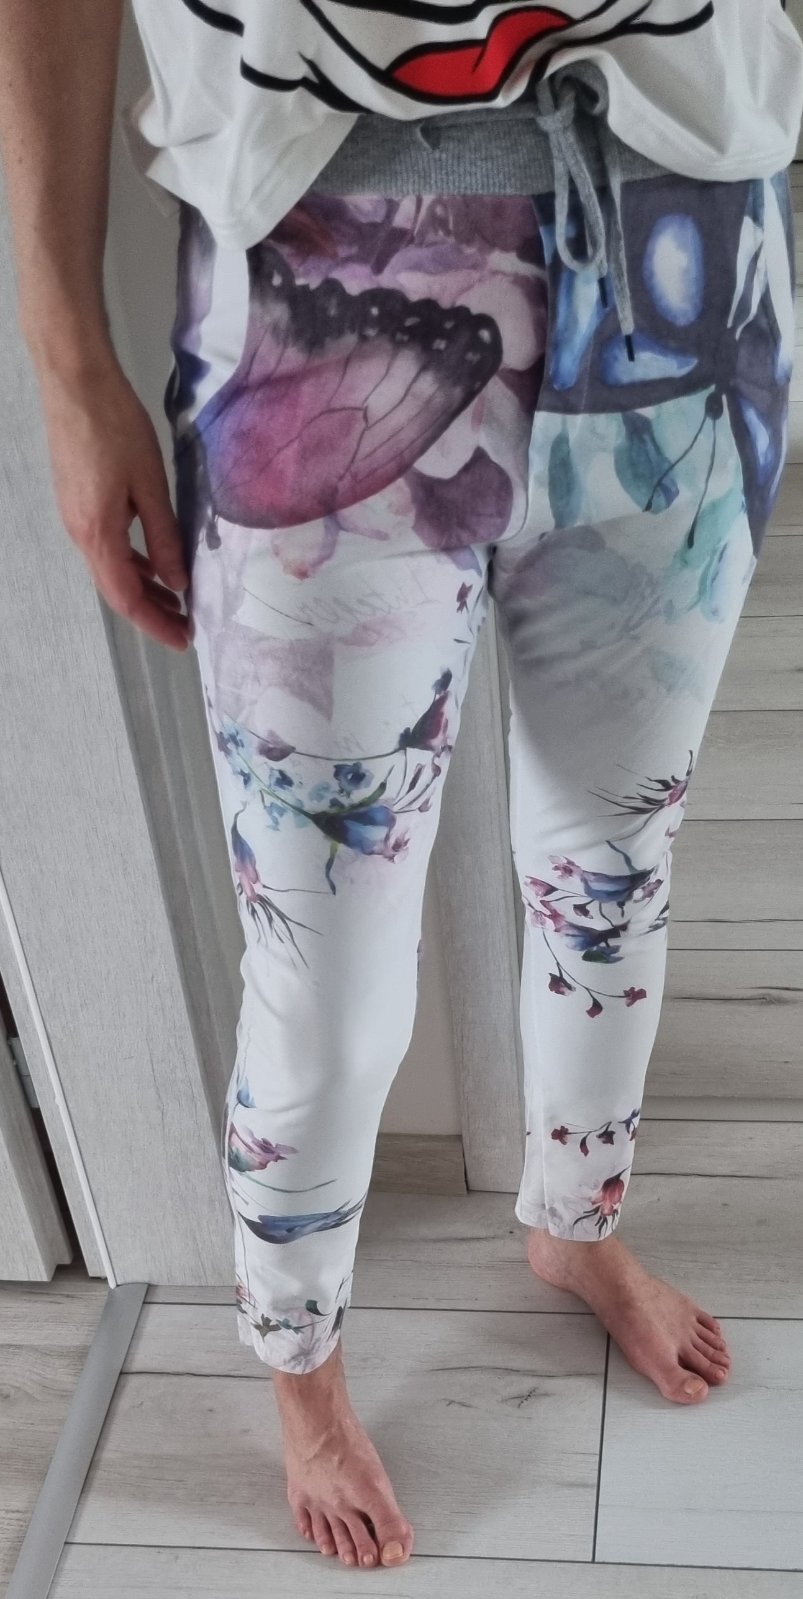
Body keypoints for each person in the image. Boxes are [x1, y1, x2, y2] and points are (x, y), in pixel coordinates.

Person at [1, 0, 800, 1575]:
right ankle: (301, 1370)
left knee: (614, 865)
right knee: (327, 976)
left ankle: (575, 1225)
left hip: (695, 238)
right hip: (309, 275)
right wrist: (67, 357)